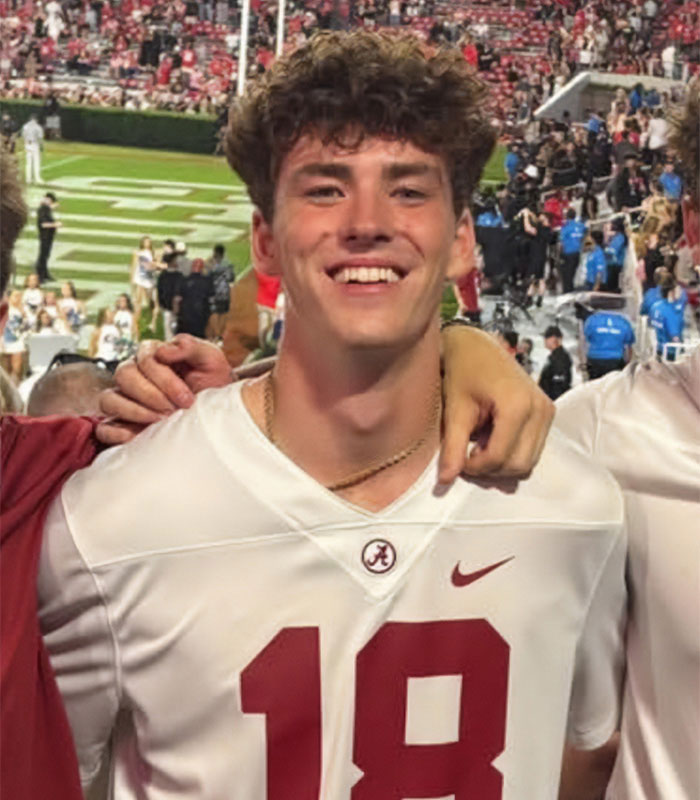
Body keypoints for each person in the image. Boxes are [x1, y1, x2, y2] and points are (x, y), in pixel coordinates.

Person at [39, 32, 624, 800]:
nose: (367, 221)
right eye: (324, 188)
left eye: (409, 190)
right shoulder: (109, 523)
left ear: (458, 243)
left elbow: (584, 752)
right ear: (265, 242)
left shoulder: (577, 510)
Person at [583, 310, 635, 379]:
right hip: (615, 361)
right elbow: (629, 347)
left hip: (595, 360)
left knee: (595, 385)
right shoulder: (624, 322)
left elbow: (584, 343)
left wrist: (583, 362)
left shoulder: (591, 320)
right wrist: (627, 365)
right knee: (614, 386)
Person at [174, 257, 214, 338]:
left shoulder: (183, 280)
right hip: (201, 317)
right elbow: (212, 300)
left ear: (192, 267)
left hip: (185, 317)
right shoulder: (208, 281)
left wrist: (176, 314)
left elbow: (176, 299)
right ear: (202, 268)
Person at [206, 243, 236, 341]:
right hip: (224, 293)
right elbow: (231, 278)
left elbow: (207, 276)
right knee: (223, 313)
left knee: (213, 313)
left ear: (215, 253)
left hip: (213, 293)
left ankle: (216, 333)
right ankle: (220, 335)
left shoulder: (211, 264)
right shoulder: (228, 264)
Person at [538, 324, 572, 400]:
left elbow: (559, 384)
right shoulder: (554, 356)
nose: (544, 340)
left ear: (553, 339)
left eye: (546, 337)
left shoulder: (560, 358)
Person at [35, 192, 61, 284]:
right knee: (42, 256)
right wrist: (55, 224)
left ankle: (45, 274)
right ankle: (40, 276)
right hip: (44, 236)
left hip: (48, 237)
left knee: (46, 255)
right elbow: (43, 224)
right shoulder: (43, 209)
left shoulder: (46, 209)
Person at [559, 208, 586, 293]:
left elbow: (561, 243)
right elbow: (584, 235)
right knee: (572, 273)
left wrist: (559, 254)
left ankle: (567, 292)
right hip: (577, 253)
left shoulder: (566, 227)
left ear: (566, 216)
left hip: (567, 254)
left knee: (566, 275)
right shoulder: (581, 226)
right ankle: (570, 291)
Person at [21, 113, 44, 185]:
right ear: (36, 119)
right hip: (35, 144)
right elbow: (40, 138)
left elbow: (23, 136)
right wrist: (41, 147)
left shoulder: (25, 126)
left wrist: (25, 145)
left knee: (28, 162)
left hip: (27, 144)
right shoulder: (38, 127)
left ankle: (28, 179)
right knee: (36, 161)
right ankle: (37, 178)